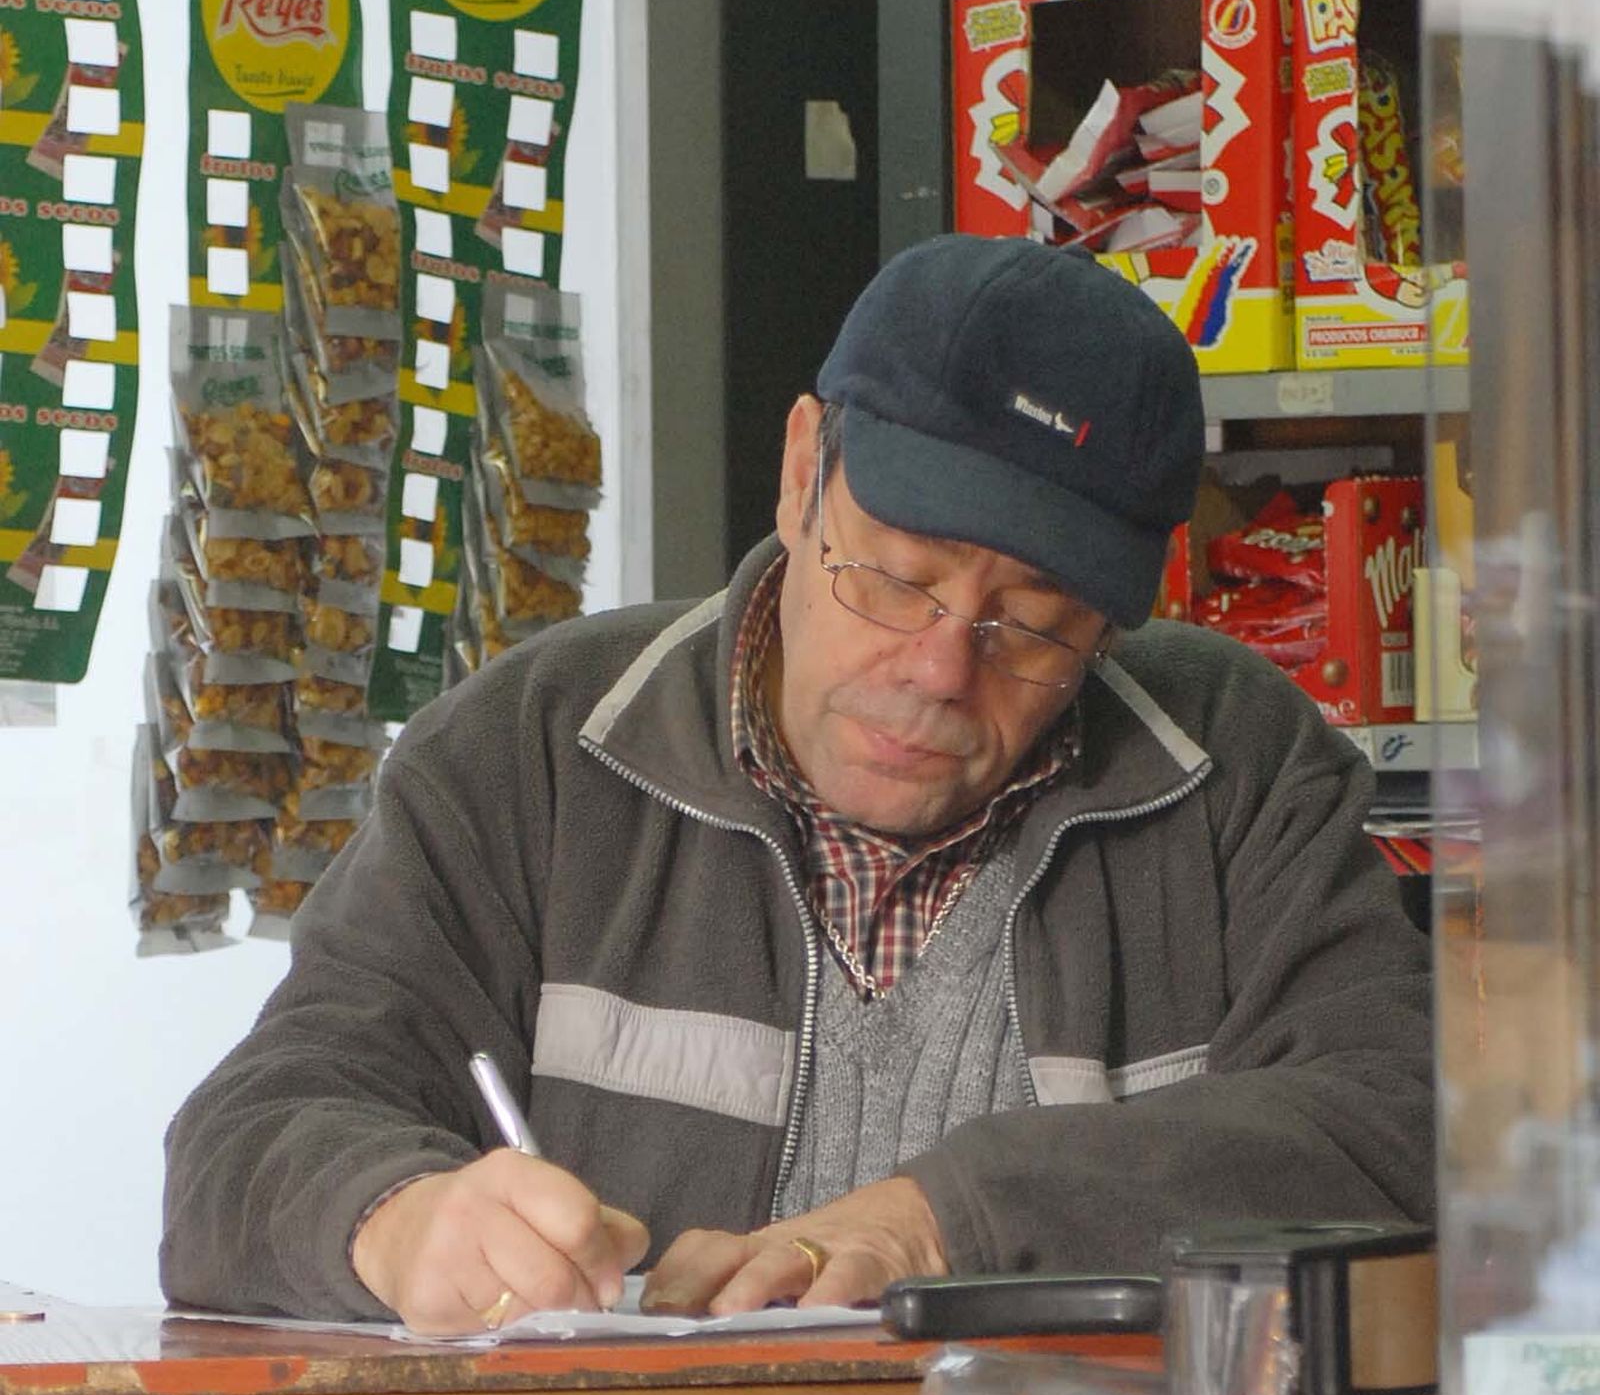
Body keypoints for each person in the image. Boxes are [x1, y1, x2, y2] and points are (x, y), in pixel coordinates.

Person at [162, 235, 1433, 1333]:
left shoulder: (1233, 770)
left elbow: (1397, 1132)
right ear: (801, 468)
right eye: (893, 577)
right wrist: (396, 1220)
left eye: (1032, 625)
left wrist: (954, 1218)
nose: (939, 669)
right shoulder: (532, 752)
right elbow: (250, 1134)